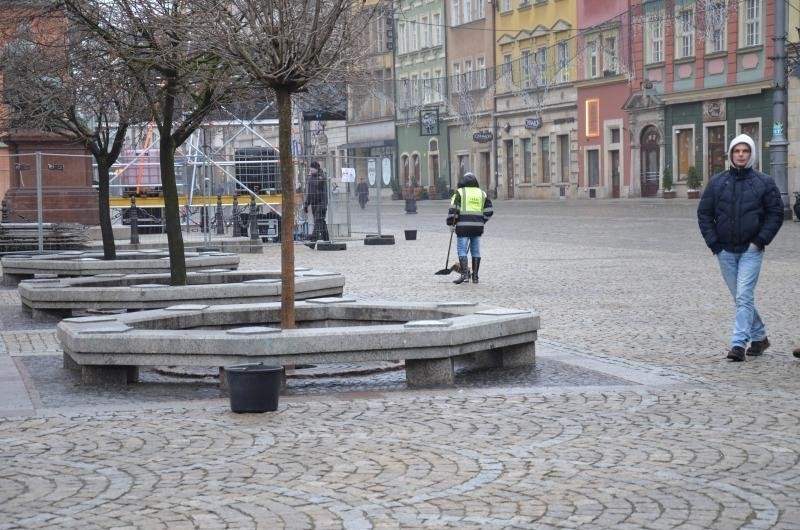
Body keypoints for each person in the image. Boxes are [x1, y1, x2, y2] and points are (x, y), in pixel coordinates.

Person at [697, 134, 784, 362]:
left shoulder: (764, 182)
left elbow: (775, 214)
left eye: (745, 151)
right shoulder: (717, 182)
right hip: (725, 250)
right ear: (731, 154)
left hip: (751, 250)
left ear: (752, 154)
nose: (741, 155)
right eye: (737, 151)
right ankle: (760, 337)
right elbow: (704, 213)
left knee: (744, 295)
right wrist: (714, 244)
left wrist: (760, 241)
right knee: (740, 297)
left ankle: (738, 344)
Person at [446, 172, 493, 284]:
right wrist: (482, 220)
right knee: (475, 251)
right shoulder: (482, 193)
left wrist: (451, 224)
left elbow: (454, 210)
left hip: (463, 227)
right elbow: (489, 211)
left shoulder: (459, 192)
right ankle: (475, 277)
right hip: (477, 227)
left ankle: (464, 275)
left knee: (462, 250)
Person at [303, 161, 329, 241]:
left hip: (321, 203)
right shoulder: (311, 178)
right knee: (321, 221)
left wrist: (324, 205)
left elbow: (325, 193)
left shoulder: (322, 177)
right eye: (310, 170)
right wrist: (306, 204)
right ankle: (326, 239)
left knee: (318, 221)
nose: (310, 171)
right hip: (313, 204)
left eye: (312, 169)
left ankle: (313, 240)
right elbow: (309, 193)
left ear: (316, 169)